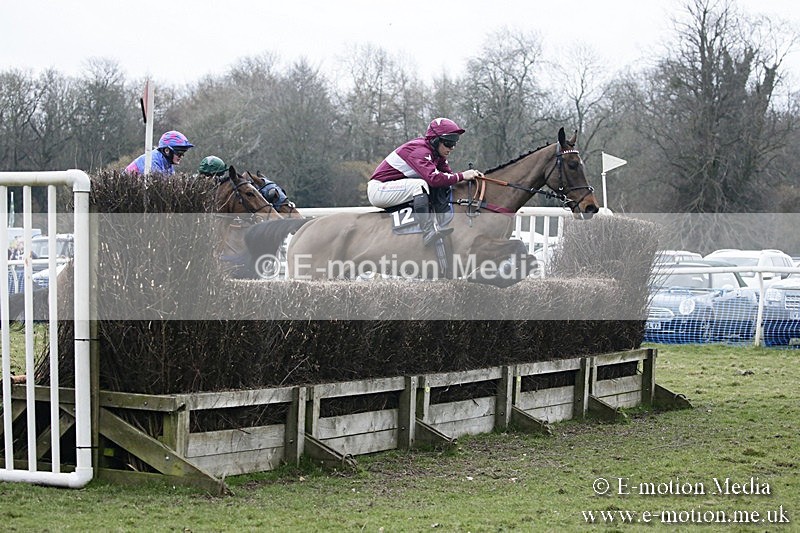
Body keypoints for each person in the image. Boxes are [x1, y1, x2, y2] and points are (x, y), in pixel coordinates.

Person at [368, 118, 483, 246]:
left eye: (455, 143)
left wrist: (472, 177)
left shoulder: (437, 154)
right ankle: (428, 231)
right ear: (435, 140)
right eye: (449, 143)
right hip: (379, 190)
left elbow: (448, 178)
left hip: (393, 187)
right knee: (420, 185)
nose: (452, 147)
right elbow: (434, 179)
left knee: (430, 185)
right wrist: (463, 175)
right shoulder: (420, 151)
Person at [125, 130, 194, 175]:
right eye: (179, 153)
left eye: (183, 154)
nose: (181, 156)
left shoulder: (167, 163)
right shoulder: (151, 162)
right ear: (167, 150)